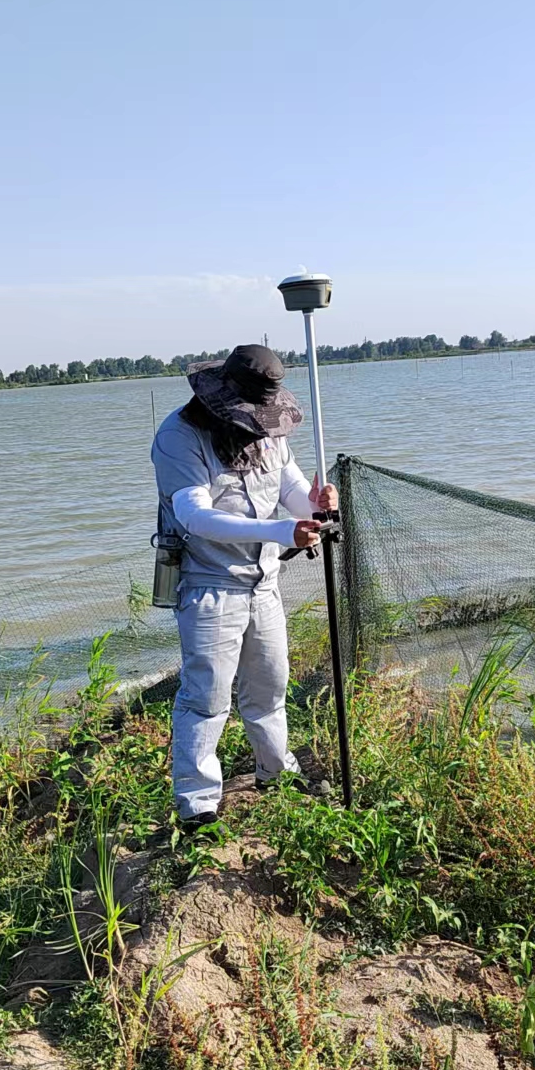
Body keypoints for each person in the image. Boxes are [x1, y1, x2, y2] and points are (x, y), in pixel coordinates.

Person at [151, 343, 338, 828]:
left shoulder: (271, 437)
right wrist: (281, 531)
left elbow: (293, 492)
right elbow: (194, 516)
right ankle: (197, 804)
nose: (259, 425)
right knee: (206, 696)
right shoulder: (179, 436)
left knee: (271, 686)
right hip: (209, 585)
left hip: (264, 584)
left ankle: (275, 773)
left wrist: (315, 503)